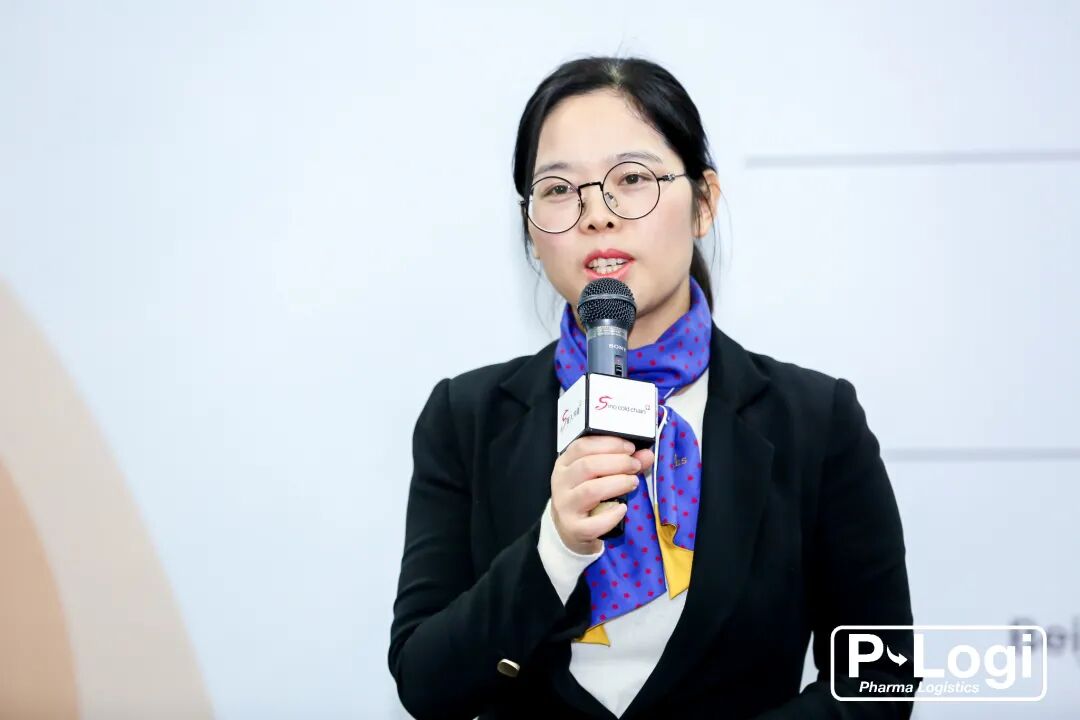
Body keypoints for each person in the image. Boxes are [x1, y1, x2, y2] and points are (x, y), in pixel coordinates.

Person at [388, 56, 918, 720]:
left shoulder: (815, 420)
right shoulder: (466, 418)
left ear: (704, 203)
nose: (596, 215)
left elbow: (879, 679)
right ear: (529, 228)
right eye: (559, 189)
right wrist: (554, 548)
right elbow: (426, 684)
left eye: (632, 178)